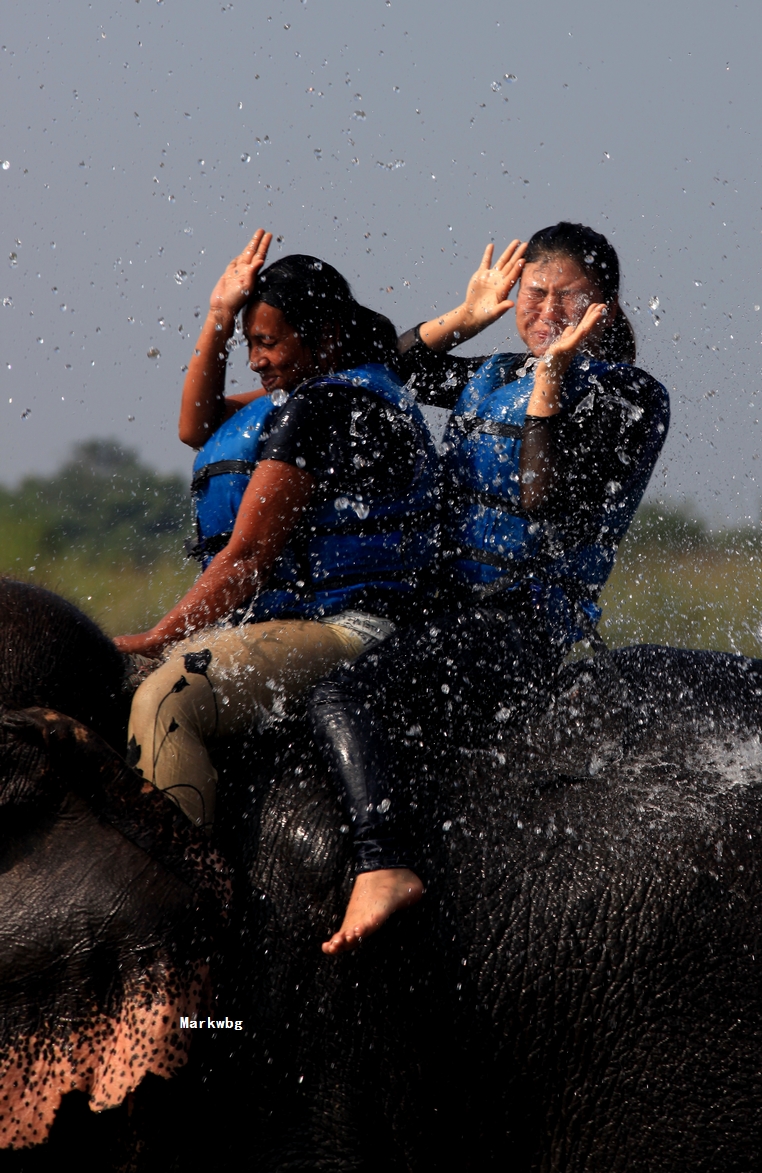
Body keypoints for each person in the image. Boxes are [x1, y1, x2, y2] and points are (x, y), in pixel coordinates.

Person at [308, 221, 670, 954]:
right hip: (439, 612)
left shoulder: (631, 395)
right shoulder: (491, 371)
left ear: (605, 304)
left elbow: (542, 498)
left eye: (568, 296)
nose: (547, 310)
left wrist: (551, 383)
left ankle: (383, 863)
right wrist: (462, 320)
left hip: (521, 628)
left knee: (341, 696)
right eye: (533, 293)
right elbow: (373, 371)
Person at [114, 230, 440, 828]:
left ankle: (187, 898)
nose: (256, 360)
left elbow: (247, 559)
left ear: (325, 337)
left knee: (165, 699)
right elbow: (197, 423)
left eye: (267, 343)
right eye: (249, 344)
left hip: (353, 628)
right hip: (303, 622)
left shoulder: (325, 408)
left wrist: (159, 638)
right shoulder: (318, 394)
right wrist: (217, 315)